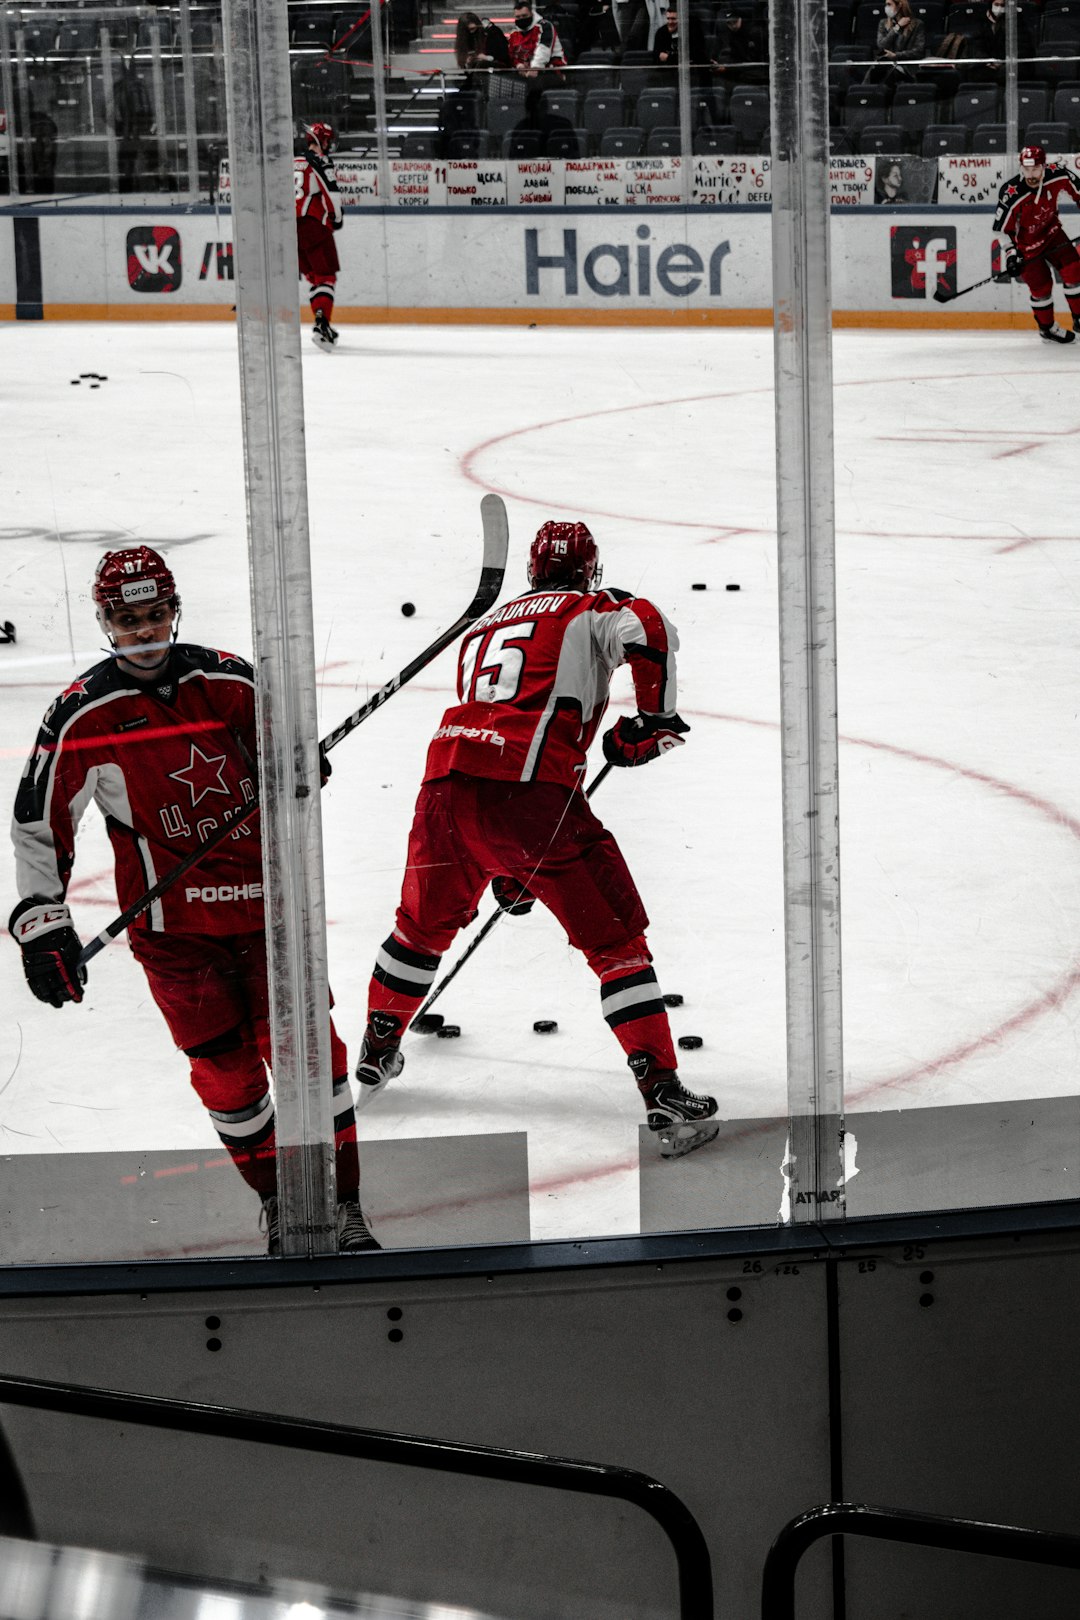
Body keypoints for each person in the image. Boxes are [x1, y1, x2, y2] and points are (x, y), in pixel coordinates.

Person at [8, 546, 377, 1254]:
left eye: (155, 616)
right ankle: (278, 1202)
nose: (143, 633)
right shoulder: (83, 715)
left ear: (175, 611)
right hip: (174, 933)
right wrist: (43, 922)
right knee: (226, 1074)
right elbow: (39, 820)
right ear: (104, 621)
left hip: (270, 914)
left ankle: (346, 1205)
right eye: (126, 620)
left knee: (311, 1060)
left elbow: (291, 754)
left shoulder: (231, 681)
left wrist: (301, 756)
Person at [354, 522, 720, 1161]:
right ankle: (662, 1090)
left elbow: (501, 710)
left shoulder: (483, 630)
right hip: (530, 795)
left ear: (530, 572)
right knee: (617, 945)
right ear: (591, 570)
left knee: (418, 929)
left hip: (444, 783)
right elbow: (653, 628)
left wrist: (503, 867)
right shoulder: (593, 609)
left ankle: (378, 1048)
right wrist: (655, 720)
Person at [993, 143, 1080, 344]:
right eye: (1026, 169)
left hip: (1053, 234)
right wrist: (1011, 255)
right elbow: (1002, 230)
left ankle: (1079, 318)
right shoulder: (1012, 193)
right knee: (1041, 288)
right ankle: (1047, 329)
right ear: (1021, 168)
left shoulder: (1058, 174)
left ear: (1044, 166)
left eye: (1035, 169)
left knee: (1074, 270)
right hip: (1026, 247)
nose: (1031, 174)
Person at [294, 121, 343, 349]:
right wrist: (337, 217)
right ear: (322, 140)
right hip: (312, 226)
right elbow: (330, 191)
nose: (329, 144)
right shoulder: (319, 161)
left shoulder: (292, 162)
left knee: (314, 277)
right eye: (327, 140)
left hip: (289, 229)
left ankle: (321, 320)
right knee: (326, 277)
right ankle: (321, 324)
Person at [864, 0, 925, 85]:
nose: (886, 8)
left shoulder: (917, 24)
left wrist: (896, 56)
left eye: (889, 4)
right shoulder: (883, 23)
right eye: (886, 5)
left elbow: (918, 51)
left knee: (889, 75)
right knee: (875, 72)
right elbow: (881, 45)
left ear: (899, 5)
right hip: (887, 64)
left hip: (906, 66)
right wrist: (897, 28)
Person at [508, 0, 568, 81]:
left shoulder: (545, 26)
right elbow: (511, 54)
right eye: (518, 17)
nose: (521, 19)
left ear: (532, 14)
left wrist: (535, 67)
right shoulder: (514, 33)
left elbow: (544, 49)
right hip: (527, 75)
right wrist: (518, 65)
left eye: (524, 16)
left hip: (552, 71)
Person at [652, 5, 712, 69]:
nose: (670, 22)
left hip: (691, 72)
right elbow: (656, 58)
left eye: (673, 19)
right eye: (668, 18)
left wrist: (668, 58)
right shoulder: (661, 32)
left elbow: (696, 56)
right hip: (668, 72)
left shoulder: (693, 31)